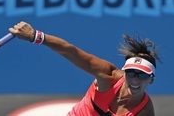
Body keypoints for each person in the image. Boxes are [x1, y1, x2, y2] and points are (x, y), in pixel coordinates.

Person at [9, 21, 162, 116]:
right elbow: (69, 51)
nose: (135, 79)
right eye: (131, 73)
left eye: (142, 75)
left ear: (151, 80)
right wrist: (34, 35)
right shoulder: (109, 76)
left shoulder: (144, 112)